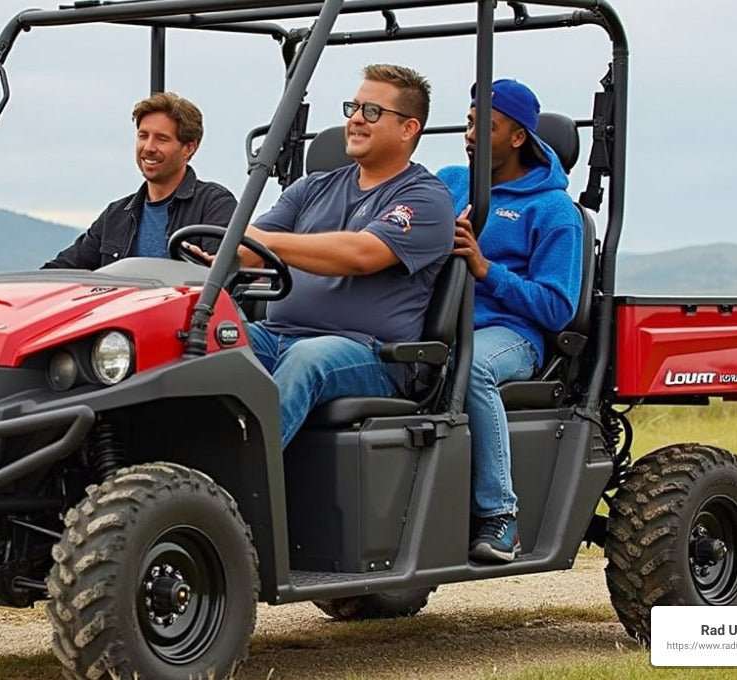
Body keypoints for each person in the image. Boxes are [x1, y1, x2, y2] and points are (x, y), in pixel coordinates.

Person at [197, 64, 454, 449]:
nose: (355, 120)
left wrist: (268, 243)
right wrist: (222, 253)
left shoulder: (426, 198)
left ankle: (230, 486)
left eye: (371, 112)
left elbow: (361, 254)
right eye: (353, 108)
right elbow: (252, 250)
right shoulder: (313, 187)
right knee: (204, 340)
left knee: (307, 360)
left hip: (371, 353)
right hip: (278, 335)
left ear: (408, 128)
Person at [436, 79, 582, 563]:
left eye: (487, 126)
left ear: (518, 137)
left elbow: (557, 308)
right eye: (471, 121)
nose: (471, 134)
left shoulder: (553, 209)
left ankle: (501, 516)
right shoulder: (451, 182)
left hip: (512, 336)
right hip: (439, 325)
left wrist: (486, 270)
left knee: (471, 367)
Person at [44, 92, 236, 270]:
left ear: (189, 148)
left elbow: (220, 277)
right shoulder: (116, 215)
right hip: (122, 307)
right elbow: (63, 269)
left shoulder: (214, 204)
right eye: (143, 136)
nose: (149, 147)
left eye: (161, 139)